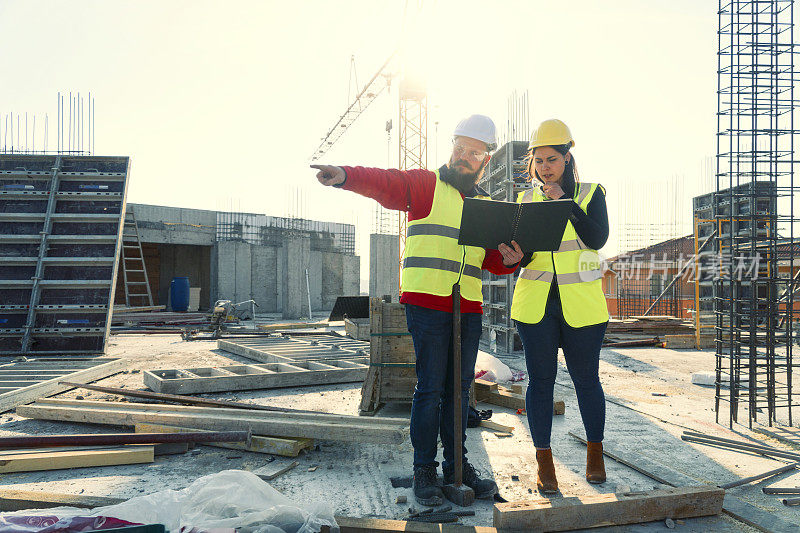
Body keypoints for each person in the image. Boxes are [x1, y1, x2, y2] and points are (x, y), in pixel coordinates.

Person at [312, 114, 524, 506]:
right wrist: (345, 175)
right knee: (430, 389)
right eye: (459, 149)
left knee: (460, 393)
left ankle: (457, 466)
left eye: (473, 153)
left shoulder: (485, 205)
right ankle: (424, 468)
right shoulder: (428, 185)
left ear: (486, 160)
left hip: (468, 307)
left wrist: (511, 259)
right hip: (427, 305)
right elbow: (387, 183)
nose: (463, 157)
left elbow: (491, 260)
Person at [509, 119, 610, 494]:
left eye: (552, 159)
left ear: (567, 158)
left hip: (582, 306)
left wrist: (564, 205)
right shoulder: (525, 200)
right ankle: (544, 460)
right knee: (541, 383)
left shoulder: (589, 194)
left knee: (586, 380)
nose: (544, 167)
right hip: (536, 306)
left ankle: (595, 453)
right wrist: (512, 256)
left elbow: (596, 239)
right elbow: (526, 255)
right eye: (539, 161)